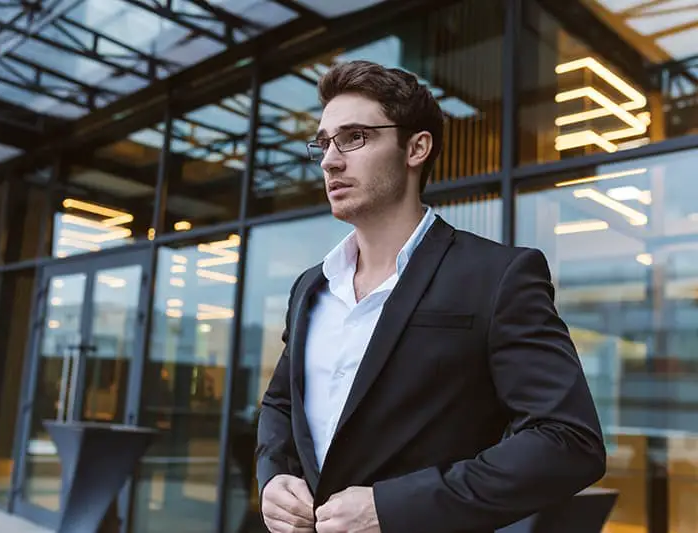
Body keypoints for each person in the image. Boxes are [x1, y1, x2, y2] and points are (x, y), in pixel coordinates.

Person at [255, 60, 606, 533]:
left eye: (354, 137)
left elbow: (568, 442)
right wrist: (273, 475)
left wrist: (395, 507)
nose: (329, 160)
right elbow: (280, 404)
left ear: (416, 147)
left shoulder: (498, 276)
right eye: (323, 142)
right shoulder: (310, 287)